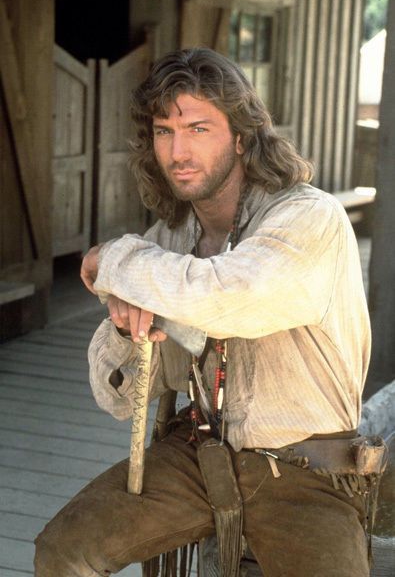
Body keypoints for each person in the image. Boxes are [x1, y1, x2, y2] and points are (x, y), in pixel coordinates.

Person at [34, 48, 377, 577]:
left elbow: (233, 298)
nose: (178, 151)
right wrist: (129, 329)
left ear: (241, 137)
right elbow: (118, 397)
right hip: (197, 454)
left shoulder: (311, 218)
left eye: (198, 129)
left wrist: (120, 259)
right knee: (63, 551)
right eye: (164, 131)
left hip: (308, 472)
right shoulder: (168, 239)